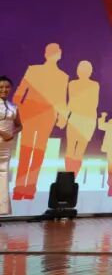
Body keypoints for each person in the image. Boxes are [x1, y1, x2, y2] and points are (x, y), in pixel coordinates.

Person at [12, 43, 68, 200]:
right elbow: (19, 94)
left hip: (45, 116)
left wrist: (62, 118)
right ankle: (23, 189)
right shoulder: (34, 70)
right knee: (30, 151)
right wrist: (18, 113)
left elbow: (61, 100)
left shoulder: (62, 76)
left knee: (35, 152)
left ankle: (27, 189)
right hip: (32, 115)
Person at [63, 60, 100, 175]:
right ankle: (72, 176)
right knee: (76, 150)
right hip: (82, 120)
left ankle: (71, 177)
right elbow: (73, 103)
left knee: (73, 149)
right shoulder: (75, 84)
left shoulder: (76, 84)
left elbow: (72, 104)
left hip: (82, 120)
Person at [0, 76, 23, 216]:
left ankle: (1, 211)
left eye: (7, 87)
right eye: (1, 87)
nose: (4, 89)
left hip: (5, 147)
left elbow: (20, 125)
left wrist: (11, 133)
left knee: (3, 179)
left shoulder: (13, 107)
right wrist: (2, 132)